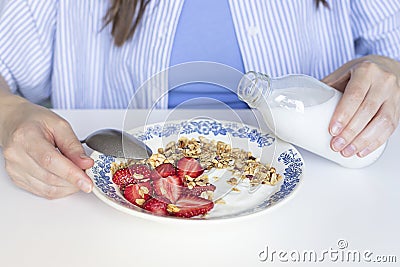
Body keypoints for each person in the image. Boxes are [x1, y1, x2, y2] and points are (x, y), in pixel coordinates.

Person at [0, 0, 399, 199]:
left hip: (323, 198)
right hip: (104, 206)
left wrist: (386, 71)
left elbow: (391, 50)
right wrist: (9, 112)